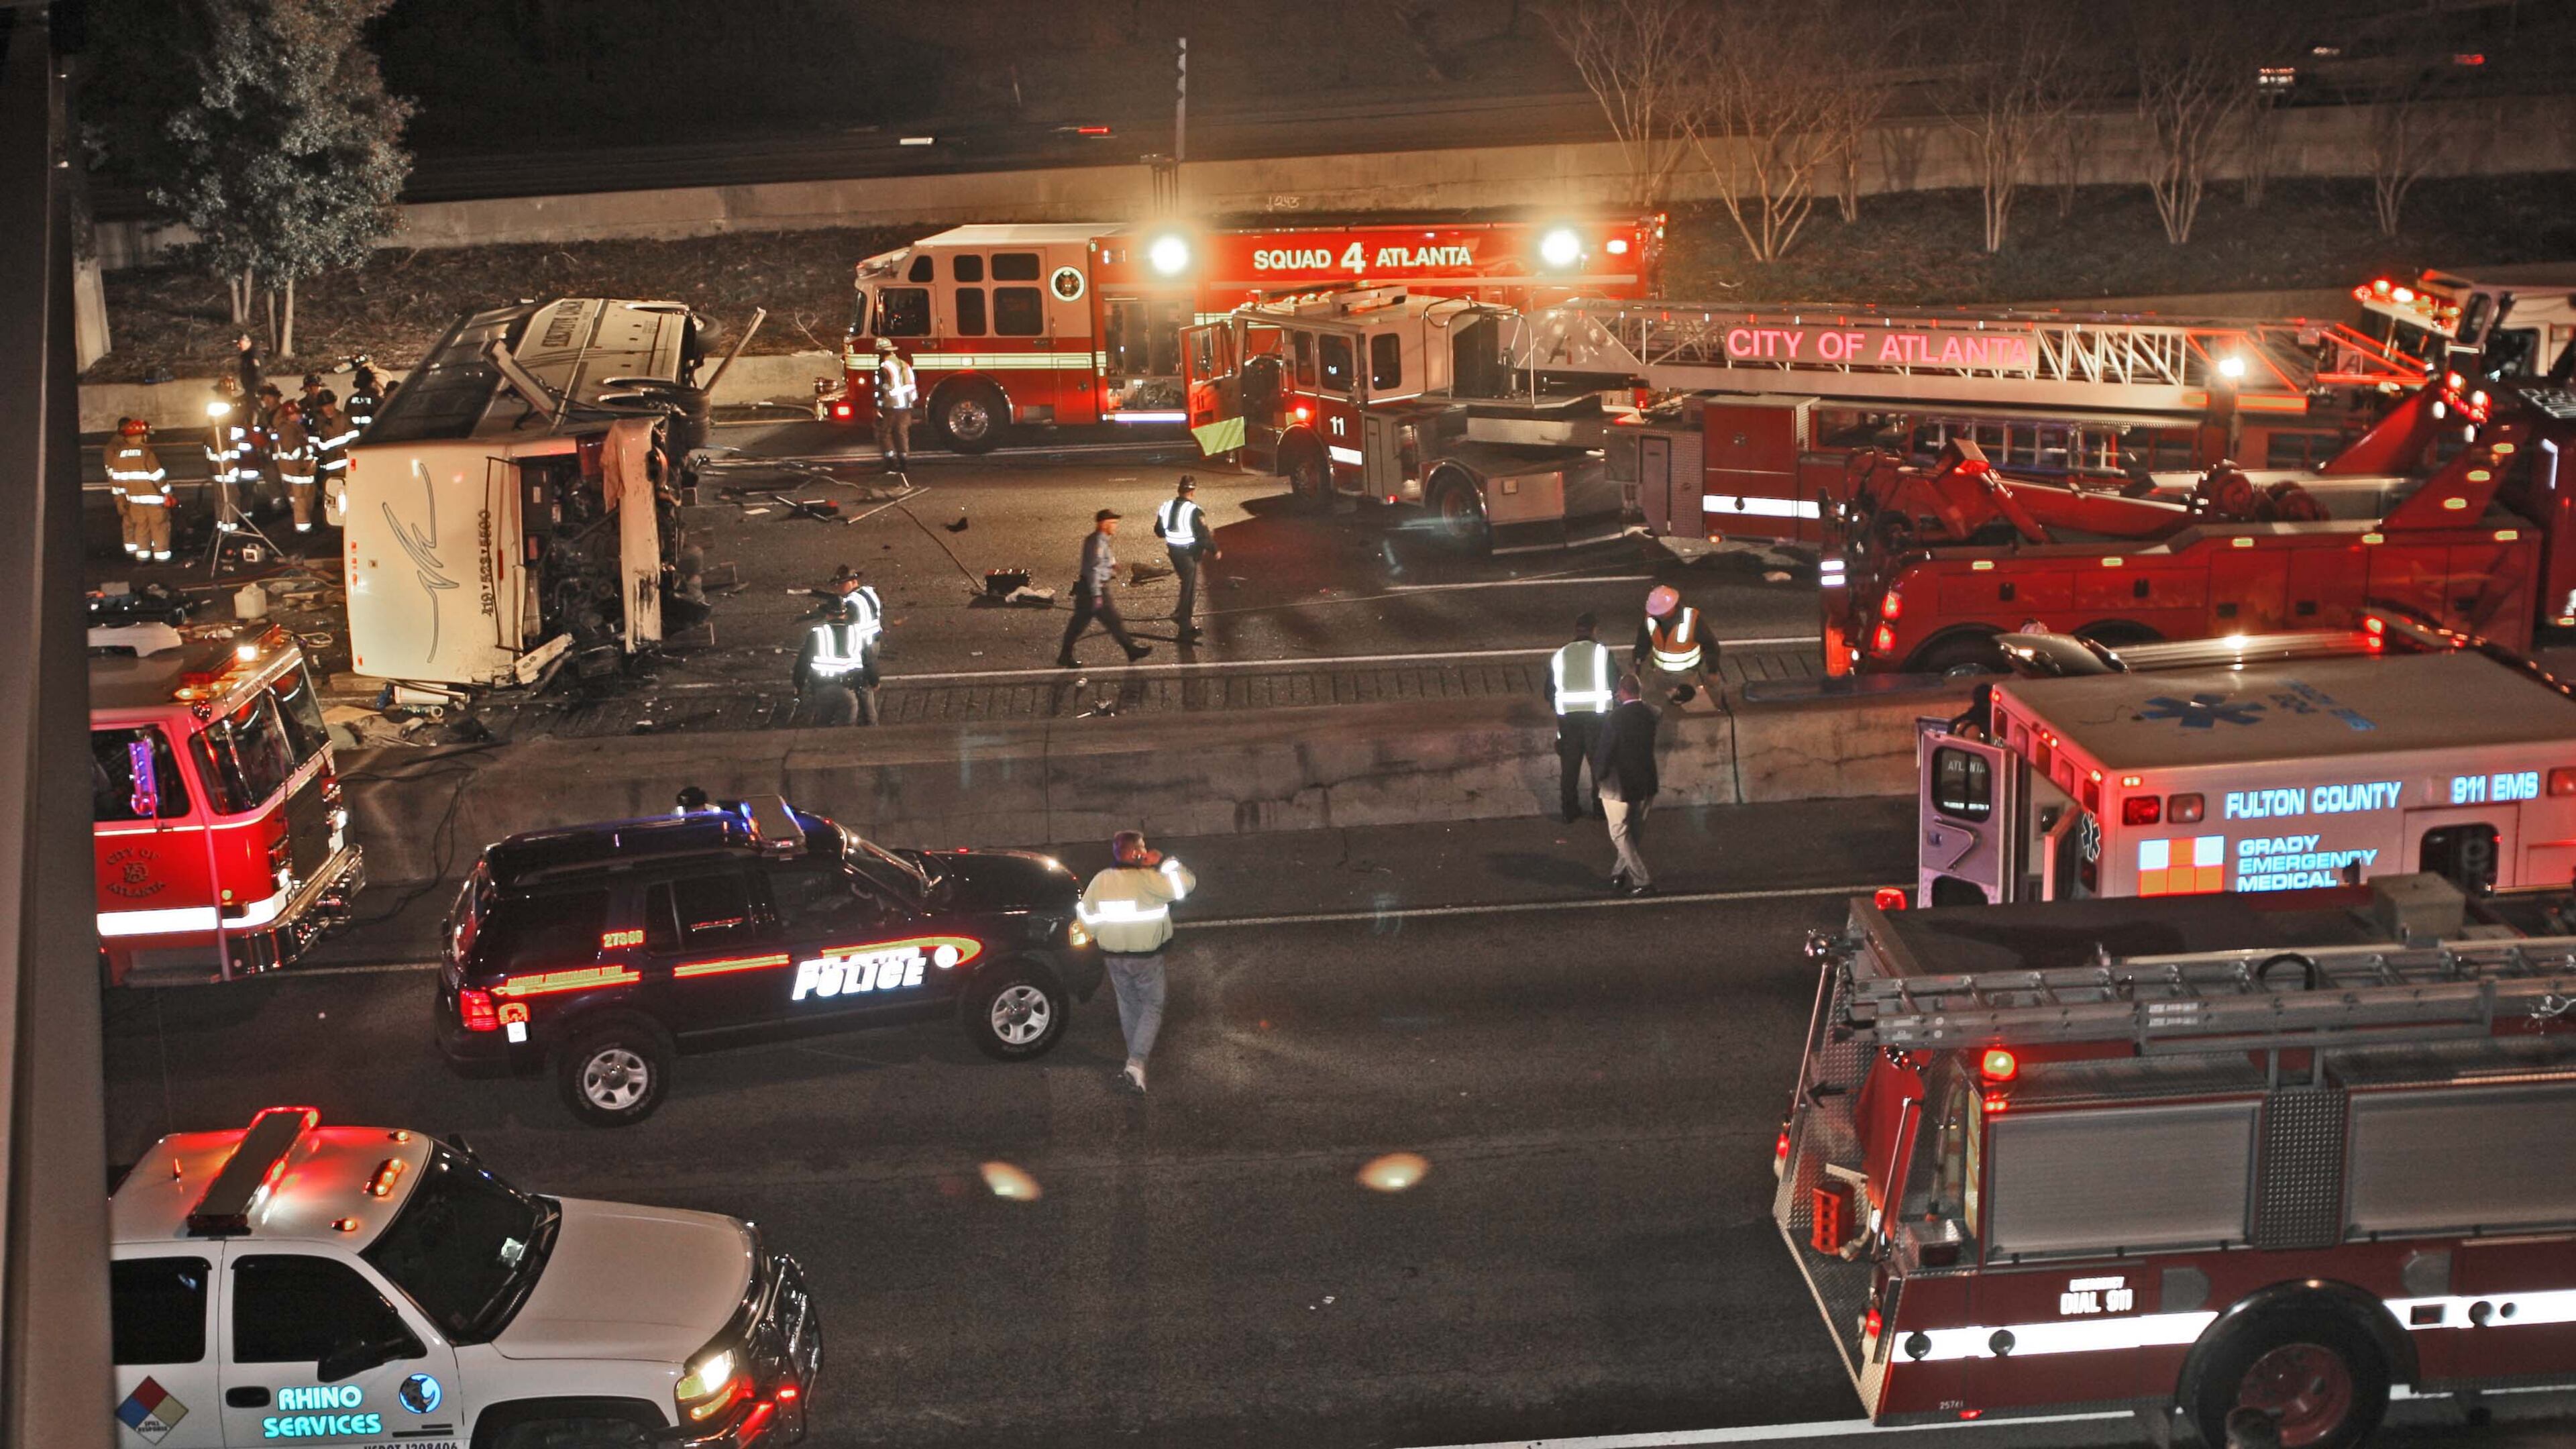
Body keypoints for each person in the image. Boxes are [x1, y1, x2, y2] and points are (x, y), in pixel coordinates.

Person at [1079, 830, 1196, 1094]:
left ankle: (1134, 1068)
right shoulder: (1150, 880)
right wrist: (1166, 863)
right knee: (1153, 1006)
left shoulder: (1101, 880)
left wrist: (1101, 935)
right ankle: (1137, 1062)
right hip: (1146, 958)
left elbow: (1084, 913)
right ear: (1136, 853)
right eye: (1142, 848)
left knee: (1128, 1005)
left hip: (1113, 956)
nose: (1146, 850)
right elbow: (1186, 884)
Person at [1591, 674, 1662, 896]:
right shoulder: (1653, 713)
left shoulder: (1615, 719)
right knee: (1634, 830)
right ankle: (1618, 873)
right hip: (1646, 780)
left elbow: (1605, 751)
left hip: (1618, 783)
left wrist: (1598, 776)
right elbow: (1650, 708)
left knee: (1619, 832)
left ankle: (1643, 879)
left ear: (1621, 693)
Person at [1057, 508, 1152, 667]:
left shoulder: (1097, 539)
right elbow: (1093, 569)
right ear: (1103, 524)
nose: (1115, 526)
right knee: (1101, 622)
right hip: (1094, 589)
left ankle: (1130, 650)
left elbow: (1100, 561)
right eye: (1112, 523)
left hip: (1090, 589)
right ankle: (1131, 650)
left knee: (1090, 623)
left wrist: (1112, 565)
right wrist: (1097, 595)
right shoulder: (1098, 542)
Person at [1544, 612, 1614, 822]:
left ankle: (1569, 810)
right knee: (1599, 766)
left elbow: (1549, 691)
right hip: (1598, 718)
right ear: (1595, 630)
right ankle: (1600, 810)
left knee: (1570, 767)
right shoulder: (1602, 653)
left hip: (1568, 721)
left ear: (1576, 629)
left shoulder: (1560, 654)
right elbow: (1616, 683)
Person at [1152, 474, 1218, 642]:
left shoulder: (1166, 507)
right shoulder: (1194, 510)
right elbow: (1203, 535)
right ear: (1193, 491)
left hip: (1173, 552)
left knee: (1186, 584)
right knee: (1189, 588)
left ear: (1179, 490)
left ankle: (1180, 615)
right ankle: (1184, 626)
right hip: (1188, 554)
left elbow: (1159, 531)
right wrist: (1214, 550)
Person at [794, 596, 879, 725]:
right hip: (848, 690)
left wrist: (798, 684)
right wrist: (874, 681)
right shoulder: (857, 633)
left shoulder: (817, 633)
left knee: (822, 724)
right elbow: (868, 661)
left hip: (822, 689)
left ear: (827, 614)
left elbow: (803, 661)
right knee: (845, 729)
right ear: (845, 614)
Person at [1634, 584, 1717, 706]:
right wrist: (1638, 660)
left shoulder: (1692, 620)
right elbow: (1643, 640)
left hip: (1686, 674)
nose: (1658, 615)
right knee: (1664, 698)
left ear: (1672, 607)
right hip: (1660, 671)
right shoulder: (1650, 618)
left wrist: (1713, 671)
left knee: (1684, 700)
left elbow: (1710, 645)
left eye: (1661, 612)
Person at [105, 418, 173, 563]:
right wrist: (168, 493)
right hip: (155, 500)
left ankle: (143, 556)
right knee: (159, 527)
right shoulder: (146, 453)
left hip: (134, 501)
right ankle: (162, 558)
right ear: (141, 436)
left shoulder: (119, 455)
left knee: (141, 528)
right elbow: (158, 477)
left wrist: (121, 499)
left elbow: (117, 480)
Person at [269, 392, 317, 534]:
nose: (300, 416)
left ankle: (303, 524)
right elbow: (294, 452)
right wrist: (311, 448)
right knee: (302, 500)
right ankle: (303, 527)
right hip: (298, 471)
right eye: (297, 413)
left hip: (297, 471)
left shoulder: (291, 427)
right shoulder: (289, 430)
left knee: (300, 500)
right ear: (290, 415)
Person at [872, 339, 916, 470]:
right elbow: (911, 385)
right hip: (906, 405)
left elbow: (883, 388)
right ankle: (904, 461)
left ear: (882, 353)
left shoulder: (885, 367)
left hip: (890, 405)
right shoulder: (905, 365)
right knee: (902, 432)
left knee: (884, 432)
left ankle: (890, 461)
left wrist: (878, 406)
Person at [312, 390, 357, 501]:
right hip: (327, 470)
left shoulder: (344, 419)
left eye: (330, 405)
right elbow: (314, 446)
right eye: (325, 406)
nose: (329, 408)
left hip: (345, 467)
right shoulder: (317, 423)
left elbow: (354, 440)